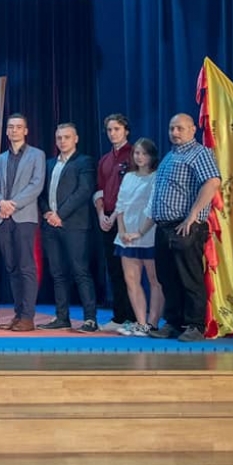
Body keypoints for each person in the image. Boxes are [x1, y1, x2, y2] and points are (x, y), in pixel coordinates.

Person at [146, 114, 221, 342]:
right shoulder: (170, 155)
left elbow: (213, 182)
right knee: (167, 278)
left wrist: (193, 215)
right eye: (172, 128)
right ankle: (173, 322)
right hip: (164, 227)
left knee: (189, 277)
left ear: (192, 129)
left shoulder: (199, 153)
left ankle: (195, 325)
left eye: (180, 128)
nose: (175, 132)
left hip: (185, 226)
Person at [37, 122, 99, 332]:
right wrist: (47, 213)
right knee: (58, 273)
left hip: (74, 225)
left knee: (80, 271)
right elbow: (41, 193)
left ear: (76, 139)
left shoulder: (84, 162)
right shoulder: (49, 164)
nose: (62, 141)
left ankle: (90, 319)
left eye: (67, 137)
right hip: (50, 225)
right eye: (59, 138)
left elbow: (84, 191)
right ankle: (62, 317)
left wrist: (60, 215)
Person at [0, 114, 46, 332]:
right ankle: (18, 315)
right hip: (3, 218)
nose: (14, 130)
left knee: (26, 266)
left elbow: (36, 185)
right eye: (11, 127)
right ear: (7, 131)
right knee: (12, 267)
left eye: (18, 127)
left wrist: (12, 204)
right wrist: (1, 203)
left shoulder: (37, 155)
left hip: (24, 216)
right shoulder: (0, 159)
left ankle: (28, 316)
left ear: (25, 131)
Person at [112, 138, 164, 336]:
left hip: (148, 234)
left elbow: (154, 207)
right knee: (131, 280)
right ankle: (141, 323)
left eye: (144, 153)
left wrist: (140, 232)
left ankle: (153, 323)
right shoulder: (128, 177)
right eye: (136, 153)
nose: (139, 157)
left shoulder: (156, 177)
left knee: (154, 280)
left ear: (151, 156)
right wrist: (122, 231)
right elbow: (120, 205)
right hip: (127, 235)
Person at [93, 114, 135, 332]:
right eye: (109, 130)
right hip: (108, 219)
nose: (112, 133)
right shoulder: (105, 159)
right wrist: (102, 214)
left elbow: (135, 190)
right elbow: (99, 190)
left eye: (117, 129)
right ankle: (119, 316)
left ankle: (134, 317)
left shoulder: (135, 155)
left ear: (126, 131)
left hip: (129, 219)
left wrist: (117, 214)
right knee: (114, 270)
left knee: (131, 271)